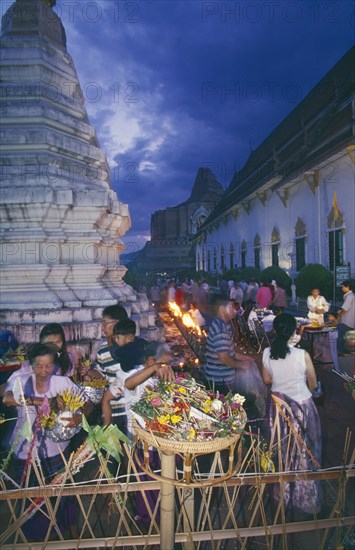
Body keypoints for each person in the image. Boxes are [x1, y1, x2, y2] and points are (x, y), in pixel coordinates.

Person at [3, 343, 92, 539]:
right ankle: (35, 539)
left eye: (49, 365)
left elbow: (88, 404)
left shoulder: (62, 382)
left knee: (61, 497)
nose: (44, 371)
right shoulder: (21, 379)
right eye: (39, 366)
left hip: (56, 452)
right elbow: (7, 398)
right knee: (30, 499)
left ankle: (65, 534)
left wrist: (80, 417)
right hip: (25, 452)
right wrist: (42, 402)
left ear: (55, 364)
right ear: (31, 365)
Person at [261, 314, 322, 515]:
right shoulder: (302, 354)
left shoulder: (267, 353)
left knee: (282, 450)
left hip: (278, 408)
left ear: (276, 330)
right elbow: (313, 386)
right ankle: (305, 499)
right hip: (302, 408)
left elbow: (267, 380)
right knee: (305, 452)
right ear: (294, 331)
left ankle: (282, 495)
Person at [204, 296, 266, 416]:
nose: (235, 310)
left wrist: (242, 357)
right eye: (231, 306)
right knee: (223, 412)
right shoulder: (220, 329)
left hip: (224, 378)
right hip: (218, 380)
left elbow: (227, 350)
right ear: (222, 308)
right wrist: (242, 365)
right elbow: (224, 358)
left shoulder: (225, 325)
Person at [337, 280, 355, 355]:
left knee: (341, 339)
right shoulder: (352, 295)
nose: (342, 289)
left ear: (347, 287)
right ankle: (350, 352)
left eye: (343, 287)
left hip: (346, 321)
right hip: (351, 321)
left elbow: (345, 309)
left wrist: (339, 314)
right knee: (349, 338)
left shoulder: (349, 296)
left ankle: (342, 353)